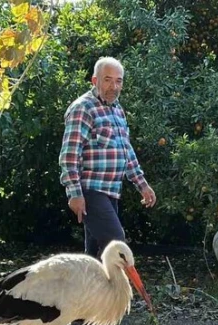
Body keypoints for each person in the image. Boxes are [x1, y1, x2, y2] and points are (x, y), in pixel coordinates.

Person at [59, 56, 157, 258]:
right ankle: (123, 290)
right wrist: (74, 193)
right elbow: (69, 155)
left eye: (118, 81)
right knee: (116, 245)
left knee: (95, 256)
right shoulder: (83, 108)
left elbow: (126, 151)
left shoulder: (117, 110)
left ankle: (90, 291)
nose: (114, 86)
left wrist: (142, 184)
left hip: (112, 192)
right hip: (91, 191)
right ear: (95, 81)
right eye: (107, 79)